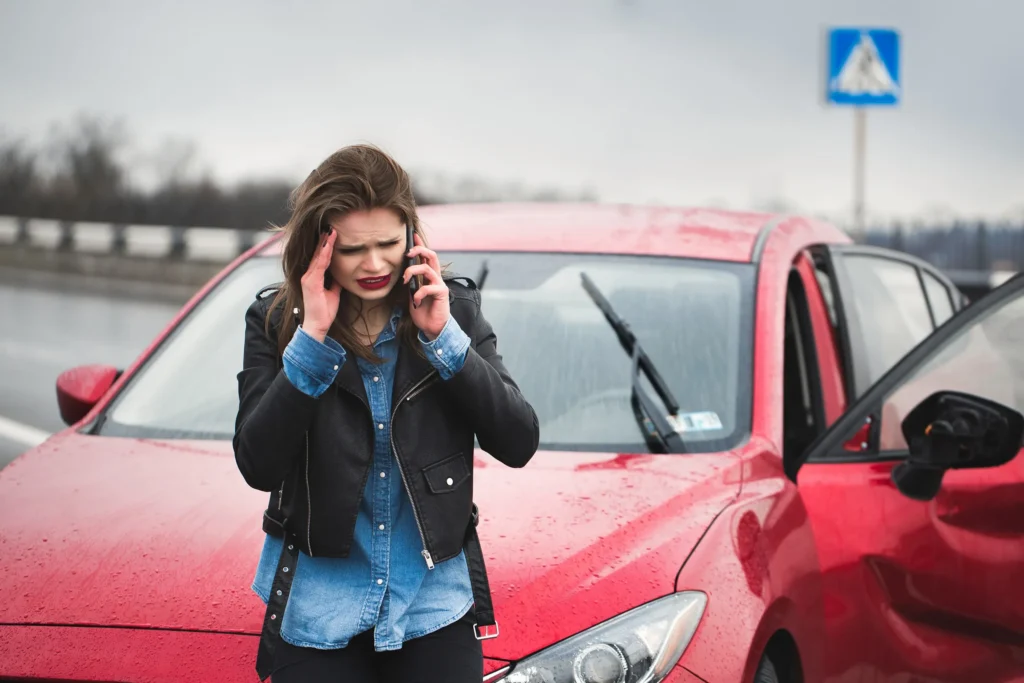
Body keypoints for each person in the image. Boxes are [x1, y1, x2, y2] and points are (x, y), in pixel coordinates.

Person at [232, 144, 540, 682]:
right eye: (353, 250)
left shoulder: (455, 311)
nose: (374, 265)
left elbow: (518, 441)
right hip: (319, 609)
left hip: (432, 605)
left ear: (413, 239)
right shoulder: (275, 321)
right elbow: (258, 463)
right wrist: (312, 340)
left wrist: (443, 339)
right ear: (318, 248)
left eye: (387, 244)